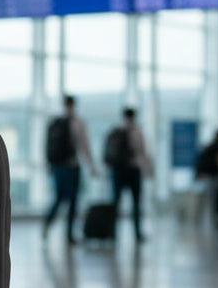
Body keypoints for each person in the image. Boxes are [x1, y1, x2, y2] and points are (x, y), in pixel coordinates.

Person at [42, 95, 97, 245]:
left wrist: (49, 167)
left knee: (58, 198)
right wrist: (92, 166)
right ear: (73, 105)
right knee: (72, 200)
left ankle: (47, 223)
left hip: (57, 167)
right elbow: (84, 146)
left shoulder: (55, 122)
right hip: (71, 167)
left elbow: (48, 147)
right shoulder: (77, 123)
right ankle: (69, 235)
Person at [104, 107, 153, 243]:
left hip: (117, 171)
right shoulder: (137, 132)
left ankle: (112, 233)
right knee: (136, 203)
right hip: (132, 170)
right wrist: (147, 171)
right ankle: (137, 233)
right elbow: (142, 152)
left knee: (116, 203)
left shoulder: (116, 130)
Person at [195, 128, 218, 229]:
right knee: (215, 198)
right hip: (209, 175)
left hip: (203, 175)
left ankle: (200, 219)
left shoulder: (210, 146)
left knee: (206, 198)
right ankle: (216, 220)